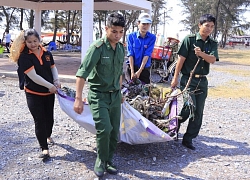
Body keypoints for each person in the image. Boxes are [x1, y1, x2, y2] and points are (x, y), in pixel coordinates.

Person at [73, 13, 125, 177]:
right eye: (114, 31)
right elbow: (82, 74)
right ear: (106, 28)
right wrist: (78, 99)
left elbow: (120, 73)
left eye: (120, 32)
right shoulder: (97, 48)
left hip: (115, 96)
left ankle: (109, 160)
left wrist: (120, 91)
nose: (117, 35)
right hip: (98, 95)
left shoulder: (121, 48)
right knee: (104, 129)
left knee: (114, 130)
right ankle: (100, 161)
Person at [9, 29, 60, 160]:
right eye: (29, 42)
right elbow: (34, 76)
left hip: (49, 93)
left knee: (50, 118)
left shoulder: (47, 53)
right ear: (25, 42)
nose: (32, 44)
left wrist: (56, 80)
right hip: (34, 93)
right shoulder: (24, 57)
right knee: (39, 120)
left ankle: (48, 135)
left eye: (35, 41)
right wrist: (51, 86)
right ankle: (44, 148)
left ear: (39, 40)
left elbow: (53, 68)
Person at [171, 14, 219, 150]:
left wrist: (202, 54)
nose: (209, 28)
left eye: (211, 26)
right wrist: (175, 78)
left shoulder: (213, 43)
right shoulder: (189, 40)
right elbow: (180, 60)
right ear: (199, 25)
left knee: (198, 112)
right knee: (190, 107)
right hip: (188, 80)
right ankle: (175, 124)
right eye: (206, 25)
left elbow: (212, 59)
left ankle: (188, 139)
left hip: (202, 81)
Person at [126, 12, 156, 84]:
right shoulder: (131, 36)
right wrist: (132, 72)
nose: (145, 26)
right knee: (130, 92)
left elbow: (147, 54)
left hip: (144, 69)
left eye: (148, 24)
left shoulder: (152, 37)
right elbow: (130, 54)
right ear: (138, 23)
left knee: (145, 92)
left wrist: (139, 71)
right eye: (143, 23)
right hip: (132, 67)